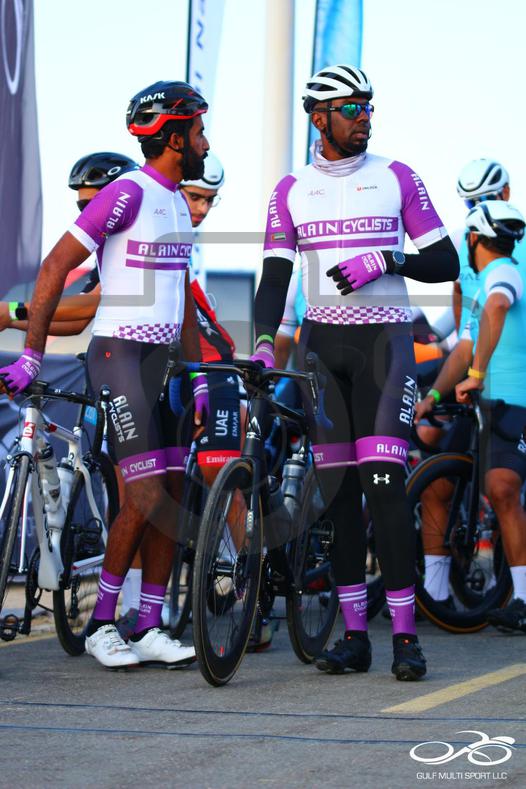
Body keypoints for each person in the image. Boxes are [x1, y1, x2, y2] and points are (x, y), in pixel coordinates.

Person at [252, 64, 459, 680]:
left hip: (384, 345)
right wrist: (263, 345)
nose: (364, 117)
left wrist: (387, 258)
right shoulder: (291, 189)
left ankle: (404, 638)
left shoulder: (396, 176)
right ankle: (354, 637)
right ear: (320, 118)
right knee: (337, 494)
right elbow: (274, 278)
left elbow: (445, 260)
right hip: (322, 347)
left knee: (384, 484)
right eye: (351, 108)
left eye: (368, 106)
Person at [0, 80, 210, 669]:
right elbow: (54, 267)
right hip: (119, 357)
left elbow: (183, 302)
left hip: (165, 364)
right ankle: (100, 625)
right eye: (198, 131)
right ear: (174, 137)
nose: (205, 141)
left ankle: (149, 625)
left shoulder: (177, 203)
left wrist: (197, 376)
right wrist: (31, 356)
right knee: (143, 493)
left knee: (171, 494)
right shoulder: (127, 193)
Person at [415, 200, 526, 632]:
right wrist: (434, 395)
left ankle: (522, 598)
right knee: (437, 486)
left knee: (501, 487)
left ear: (474, 238)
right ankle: (436, 594)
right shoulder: (480, 288)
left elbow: (498, 308)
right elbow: (462, 350)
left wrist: (477, 374)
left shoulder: (504, 273)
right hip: (478, 401)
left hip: (514, 403)